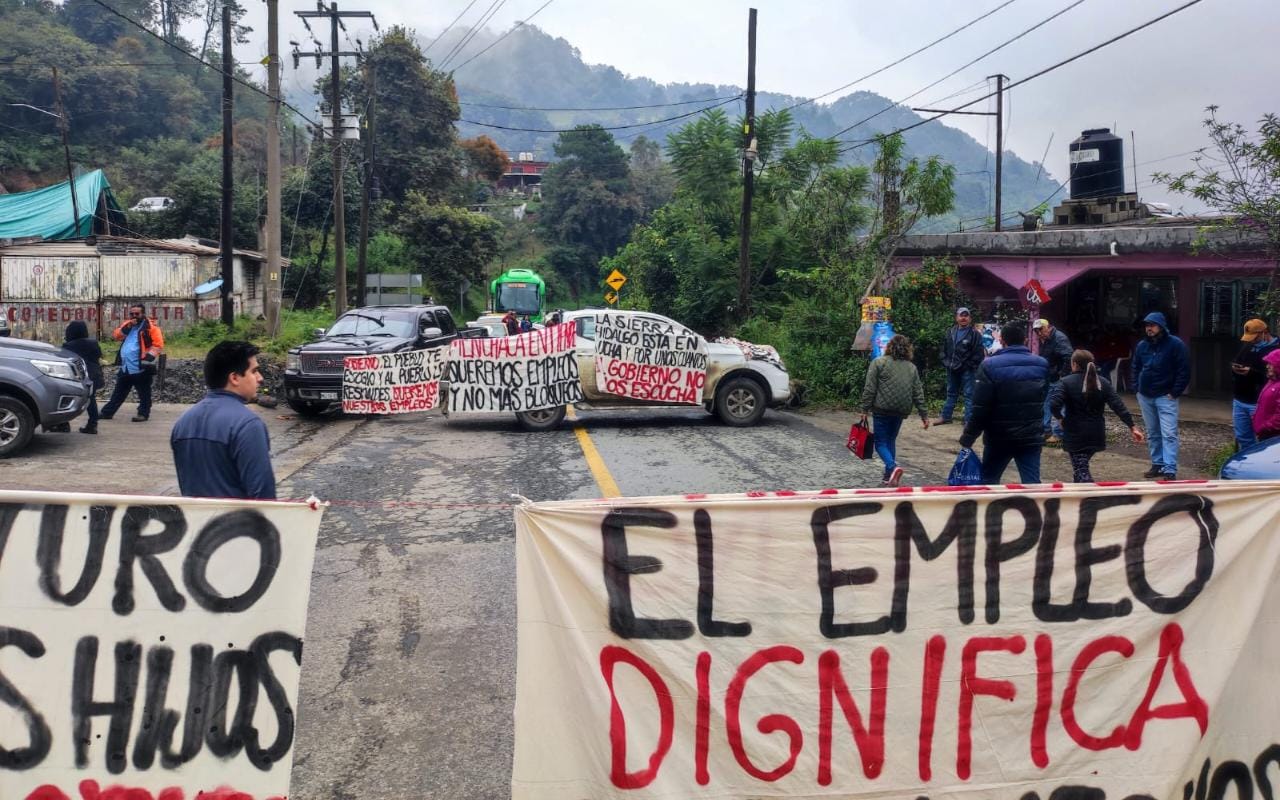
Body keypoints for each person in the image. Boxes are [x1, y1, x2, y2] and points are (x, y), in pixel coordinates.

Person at [170, 340, 276, 499]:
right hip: (238, 523)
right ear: (234, 378)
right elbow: (263, 496)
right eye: (254, 371)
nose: (260, 378)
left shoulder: (183, 422)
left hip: (196, 522)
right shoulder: (248, 425)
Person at [959, 321, 1050, 484]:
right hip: (1030, 437)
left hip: (999, 437)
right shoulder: (1041, 365)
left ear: (1001, 341)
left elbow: (980, 408)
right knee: (1033, 485)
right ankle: (1032, 510)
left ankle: (992, 510)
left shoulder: (989, 365)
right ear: (1025, 341)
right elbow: (1042, 397)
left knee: (989, 484)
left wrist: (969, 436)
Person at [1049, 349, 1145, 482]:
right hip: (1096, 433)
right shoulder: (1103, 382)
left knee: (1081, 470)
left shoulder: (1065, 382)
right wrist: (1132, 426)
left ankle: (1090, 498)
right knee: (1079, 468)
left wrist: (1060, 418)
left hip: (1075, 434)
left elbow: (1053, 405)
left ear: (1075, 364)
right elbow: (1118, 406)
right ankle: (1081, 497)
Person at [860, 334, 930, 487]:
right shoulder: (911, 368)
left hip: (882, 409)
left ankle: (892, 467)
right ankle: (888, 477)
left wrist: (864, 409)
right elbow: (918, 393)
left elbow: (870, 389)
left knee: (880, 443)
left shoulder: (879, 363)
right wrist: (924, 415)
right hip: (901, 410)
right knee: (890, 440)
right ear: (907, 349)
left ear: (889, 347)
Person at [1131, 311, 1191, 480]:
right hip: (1145, 395)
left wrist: (1175, 392)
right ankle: (1157, 463)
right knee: (1152, 432)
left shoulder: (1176, 344)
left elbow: (1184, 370)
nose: (1149, 328)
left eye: (1152, 325)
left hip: (1166, 395)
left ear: (1161, 326)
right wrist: (1136, 387)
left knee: (1169, 433)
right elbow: (1135, 366)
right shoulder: (1142, 345)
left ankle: (1170, 468)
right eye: (1147, 325)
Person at [100, 303, 164, 422]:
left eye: (137, 314)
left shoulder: (152, 328)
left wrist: (147, 359)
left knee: (144, 393)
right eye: (132, 314)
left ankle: (143, 414)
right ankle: (107, 412)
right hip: (126, 366)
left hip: (140, 367)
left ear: (143, 314)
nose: (134, 316)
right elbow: (116, 335)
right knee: (118, 392)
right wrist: (129, 326)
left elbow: (158, 345)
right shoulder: (128, 325)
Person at [1230, 319, 1279, 450]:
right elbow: (1237, 360)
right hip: (1240, 398)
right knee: (1243, 437)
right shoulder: (1248, 346)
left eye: (1254, 337)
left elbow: (1274, 378)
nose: (1251, 340)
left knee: (1264, 439)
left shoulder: (1276, 351)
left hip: (1258, 401)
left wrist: (1252, 372)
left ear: (1264, 333)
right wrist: (1236, 369)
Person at [934, 307, 984, 425]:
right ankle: (945, 417)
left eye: (966, 315)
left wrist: (968, 365)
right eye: (961, 315)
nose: (963, 318)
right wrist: (945, 361)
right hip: (951, 368)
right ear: (956, 317)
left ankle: (968, 420)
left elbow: (979, 354)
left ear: (970, 318)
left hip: (967, 370)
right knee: (951, 393)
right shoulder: (950, 332)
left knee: (969, 394)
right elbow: (943, 349)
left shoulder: (975, 334)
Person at [1033, 318, 1073, 442]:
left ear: (1048, 327)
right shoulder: (1046, 339)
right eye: (1036, 331)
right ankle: (1046, 431)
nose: (1038, 333)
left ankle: (1059, 433)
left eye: (1040, 329)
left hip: (1058, 378)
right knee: (1047, 403)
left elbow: (1068, 356)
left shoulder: (1059, 338)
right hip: (1049, 376)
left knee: (1059, 404)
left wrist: (1062, 374)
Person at [61, 320, 103, 434]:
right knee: (91, 400)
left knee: (67, 399)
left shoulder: (69, 345)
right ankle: (93, 424)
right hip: (94, 375)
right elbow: (98, 355)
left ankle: (63, 424)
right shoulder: (93, 343)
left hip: (78, 376)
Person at [1251, 350, 1280, 442]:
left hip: (1272, 436)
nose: (1267, 366)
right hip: (1264, 433)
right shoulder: (1272, 380)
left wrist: (1264, 428)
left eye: (1270, 364)